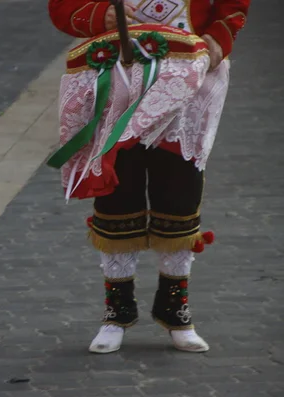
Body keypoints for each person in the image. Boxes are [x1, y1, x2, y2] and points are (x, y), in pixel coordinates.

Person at [47, 0, 249, 353]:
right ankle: (117, 312)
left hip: (189, 75)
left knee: (180, 191)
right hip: (116, 75)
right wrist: (100, 15)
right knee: (116, 195)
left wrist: (219, 37)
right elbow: (63, 6)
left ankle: (175, 309)